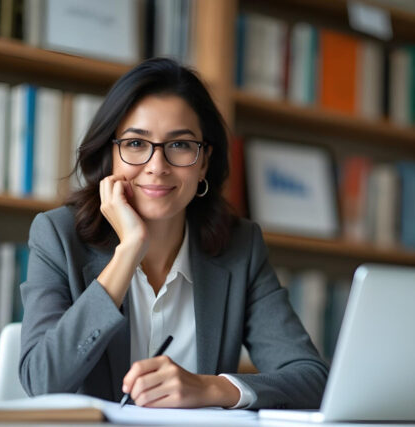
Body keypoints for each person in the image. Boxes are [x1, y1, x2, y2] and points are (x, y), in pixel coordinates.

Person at [18, 58, 327, 410]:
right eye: (136, 144)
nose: (157, 166)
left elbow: (311, 378)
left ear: (204, 162)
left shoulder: (240, 246)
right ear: (111, 155)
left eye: (179, 145)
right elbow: (40, 380)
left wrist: (211, 389)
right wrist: (128, 251)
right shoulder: (58, 235)